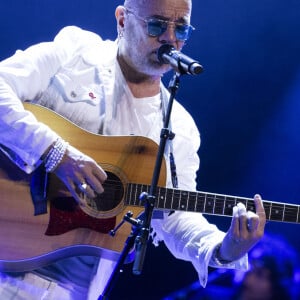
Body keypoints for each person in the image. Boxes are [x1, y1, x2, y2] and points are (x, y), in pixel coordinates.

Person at [0, 0, 266, 299]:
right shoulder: (74, 54)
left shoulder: (179, 126)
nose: (170, 37)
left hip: (73, 291)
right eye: (156, 24)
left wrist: (224, 249)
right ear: (123, 20)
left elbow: (176, 217)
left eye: (181, 28)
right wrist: (54, 151)